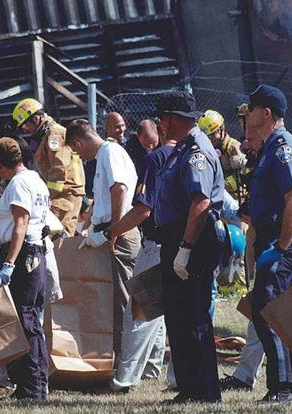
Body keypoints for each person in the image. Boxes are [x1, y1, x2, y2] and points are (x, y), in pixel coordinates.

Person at [153, 91, 224, 403]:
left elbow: (200, 201)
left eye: (161, 117)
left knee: (194, 315)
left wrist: (185, 248)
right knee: (178, 315)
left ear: (172, 118)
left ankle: (205, 390)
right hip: (177, 237)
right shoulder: (181, 148)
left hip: (192, 238)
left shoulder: (196, 150)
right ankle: (190, 386)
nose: (159, 123)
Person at [243, 84, 292, 404]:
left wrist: (282, 248)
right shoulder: (269, 146)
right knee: (271, 311)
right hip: (273, 240)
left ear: (265, 113)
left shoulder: (283, 147)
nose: (247, 115)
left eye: (252, 109)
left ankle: (283, 387)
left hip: (282, 242)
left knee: (271, 312)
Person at [99, 119, 176, 393]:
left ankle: (125, 379)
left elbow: (143, 208)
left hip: (157, 242)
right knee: (174, 314)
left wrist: (114, 231)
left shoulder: (155, 160)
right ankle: (159, 369)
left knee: (142, 311)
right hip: (183, 242)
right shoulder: (188, 154)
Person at [64, 119, 140, 356]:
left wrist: (114, 232)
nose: (79, 156)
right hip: (108, 229)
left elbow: (119, 189)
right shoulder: (105, 155)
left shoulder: (109, 153)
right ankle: (117, 356)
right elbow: (102, 200)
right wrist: (86, 226)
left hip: (118, 231)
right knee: (111, 297)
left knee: (122, 300)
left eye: (76, 151)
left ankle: (124, 361)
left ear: (78, 142)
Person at [0, 137, 50, 401]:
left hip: (22, 253)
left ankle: (32, 387)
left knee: (24, 321)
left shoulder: (16, 184)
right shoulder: (35, 179)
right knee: (30, 319)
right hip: (35, 251)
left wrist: (8, 264)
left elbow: (20, 225)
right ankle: (33, 384)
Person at [12, 98, 85, 236]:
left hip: (64, 195)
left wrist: (46, 198)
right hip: (60, 194)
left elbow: (59, 168)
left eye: (26, 125)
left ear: (36, 119)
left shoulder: (54, 135)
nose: (26, 130)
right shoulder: (45, 136)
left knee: (58, 236)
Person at [198, 109, 247, 202]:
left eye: (213, 135)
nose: (210, 139)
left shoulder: (233, 147)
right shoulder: (207, 150)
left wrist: (220, 184)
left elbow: (243, 174)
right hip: (216, 197)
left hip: (236, 200)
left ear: (222, 129)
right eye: (207, 136)